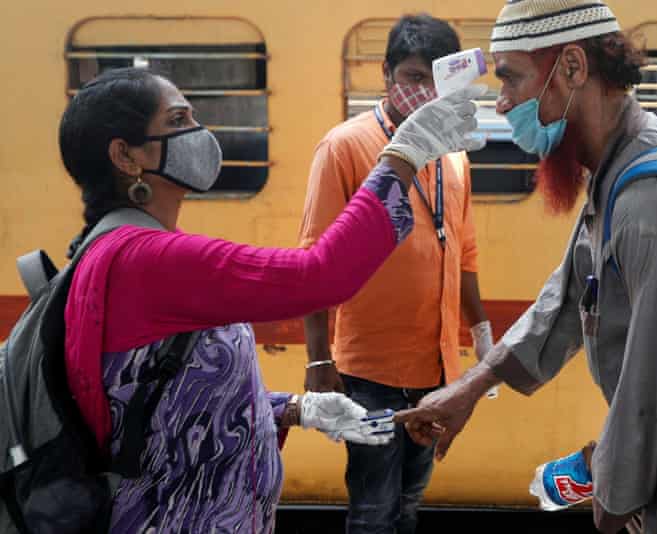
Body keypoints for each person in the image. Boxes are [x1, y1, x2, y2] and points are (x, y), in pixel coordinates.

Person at [396, 2, 657, 533]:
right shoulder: (623, 166)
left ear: (571, 67)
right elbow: (567, 297)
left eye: (512, 79)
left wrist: (613, 493)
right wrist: (471, 388)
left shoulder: (654, 203)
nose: (503, 102)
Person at [59, 67, 484, 533]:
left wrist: (292, 409)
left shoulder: (121, 250)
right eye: (179, 121)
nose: (200, 134)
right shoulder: (150, 260)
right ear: (125, 156)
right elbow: (319, 275)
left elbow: (171, 396)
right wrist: (402, 157)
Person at [298, 14, 492, 534]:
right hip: (370, 374)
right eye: (412, 77)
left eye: (438, 80)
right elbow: (313, 260)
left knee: (409, 501)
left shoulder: (454, 159)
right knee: (372, 511)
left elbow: (464, 253)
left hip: (436, 371)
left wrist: (481, 336)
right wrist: (319, 359)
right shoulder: (345, 147)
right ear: (385, 74)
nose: (425, 93)